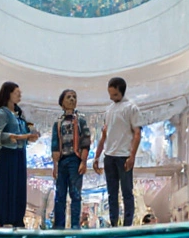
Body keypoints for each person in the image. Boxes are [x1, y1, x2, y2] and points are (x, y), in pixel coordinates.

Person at [93, 76, 142, 226]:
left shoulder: (131, 108)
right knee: (111, 193)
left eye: (115, 94)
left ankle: (128, 224)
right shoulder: (109, 110)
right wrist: (96, 157)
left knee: (127, 191)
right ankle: (114, 223)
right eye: (110, 94)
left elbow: (137, 133)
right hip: (109, 156)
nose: (111, 97)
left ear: (122, 92)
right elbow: (104, 135)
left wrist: (132, 155)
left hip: (124, 155)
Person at [0, 81, 36, 227]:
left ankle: (17, 218)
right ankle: (4, 218)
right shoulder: (2, 113)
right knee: (7, 185)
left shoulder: (18, 115)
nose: (20, 95)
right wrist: (18, 137)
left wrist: (30, 136)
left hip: (20, 153)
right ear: (8, 94)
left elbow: (23, 136)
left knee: (19, 186)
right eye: (17, 92)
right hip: (8, 154)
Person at [50, 89, 90, 229]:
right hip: (62, 161)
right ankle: (58, 225)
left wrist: (83, 161)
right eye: (68, 97)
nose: (72, 99)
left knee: (75, 193)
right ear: (62, 102)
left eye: (74, 97)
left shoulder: (81, 120)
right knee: (60, 194)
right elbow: (55, 145)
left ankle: (75, 225)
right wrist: (55, 166)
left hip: (75, 159)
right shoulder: (58, 123)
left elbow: (85, 141)